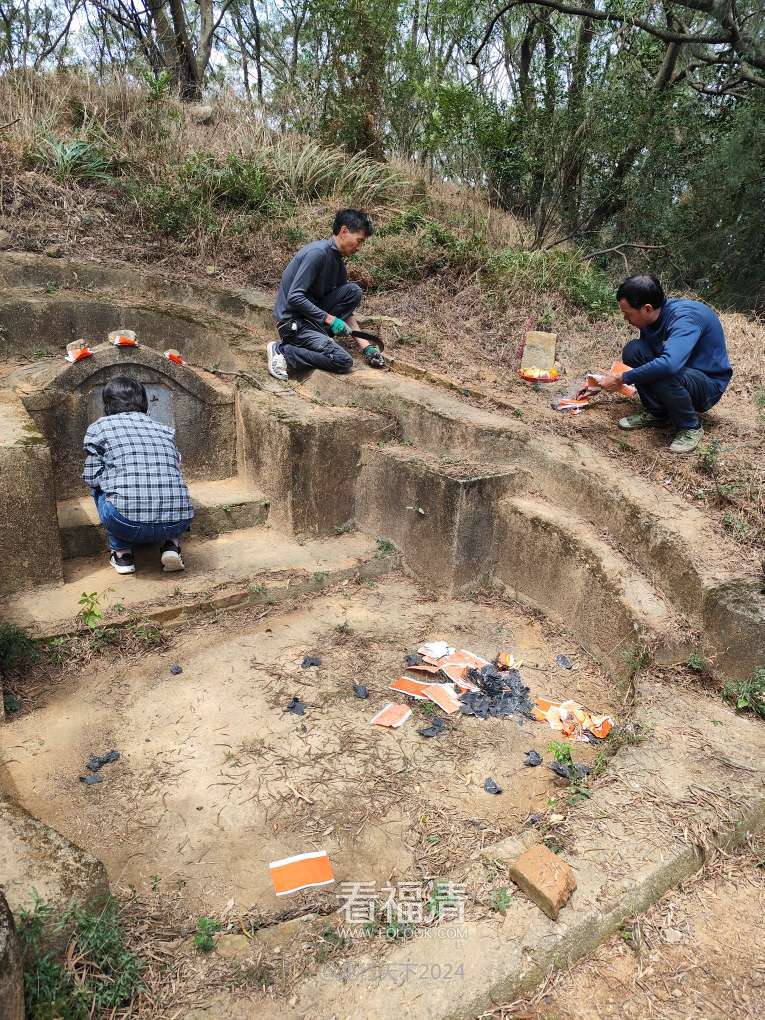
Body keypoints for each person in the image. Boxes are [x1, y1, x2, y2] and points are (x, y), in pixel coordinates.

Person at [599, 274, 733, 454]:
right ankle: (658, 413)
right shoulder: (652, 319)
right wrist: (606, 381)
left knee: (666, 370)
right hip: (681, 372)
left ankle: (690, 427)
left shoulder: (684, 319)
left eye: (628, 313)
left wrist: (623, 378)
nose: (625, 318)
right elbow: (652, 359)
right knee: (633, 350)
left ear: (647, 308)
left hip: (707, 384)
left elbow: (669, 364)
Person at [82, 377, 194, 575]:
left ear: (107, 404)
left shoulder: (98, 428)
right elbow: (176, 465)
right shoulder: (163, 429)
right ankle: (171, 545)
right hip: (178, 521)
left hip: (125, 522)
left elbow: (92, 477)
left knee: (98, 489)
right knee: (170, 486)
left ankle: (122, 554)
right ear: (144, 402)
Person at [267, 208, 384, 380]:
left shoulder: (339, 266)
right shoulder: (317, 253)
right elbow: (295, 297)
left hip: (311, 322)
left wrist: (366, 347)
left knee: (353, 291)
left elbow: (346, 312)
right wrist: (329, 319)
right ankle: (282, 352)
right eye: (359, 241)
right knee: (342, 360)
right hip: (293, 324)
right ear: (344, 231)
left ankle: (314, 342)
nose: (359, 247)